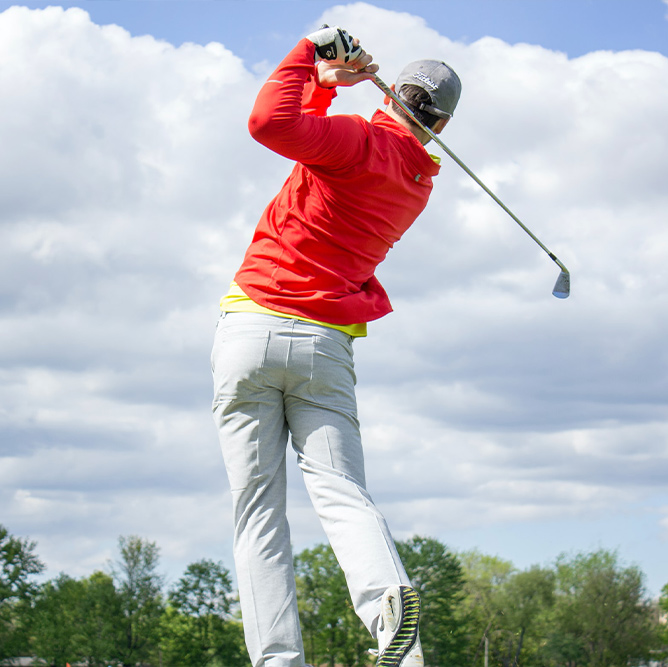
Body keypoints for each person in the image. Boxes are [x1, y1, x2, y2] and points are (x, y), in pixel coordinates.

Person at [211, 25, 461, 667]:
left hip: (252, 331)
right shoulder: (417, 183)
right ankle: (392, 622)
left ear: (391, 94)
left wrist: (309, 56)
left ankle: (277, 660)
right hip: (324, 348)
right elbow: (311, 146)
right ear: (441, 124)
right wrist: (325, 89)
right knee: (343, 492)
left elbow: (270, 122)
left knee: (258, 512)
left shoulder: (359, 138)